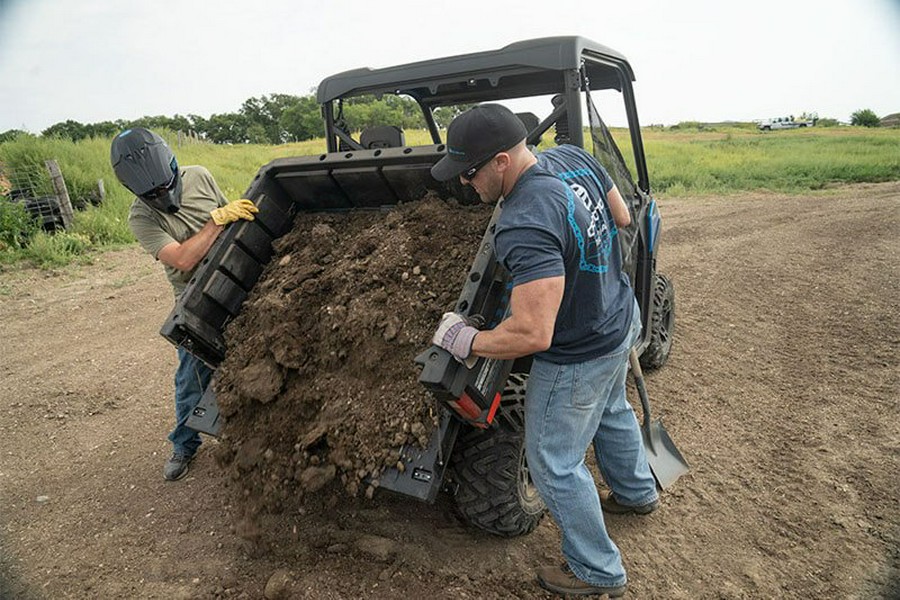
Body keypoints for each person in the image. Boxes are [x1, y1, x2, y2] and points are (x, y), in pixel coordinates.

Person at [430, 104, 658, 597]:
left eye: (469, 173)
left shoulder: (523, 223)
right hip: (620, 316)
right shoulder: (574, 157)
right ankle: (638, 492)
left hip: (579, 352)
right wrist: (588, 276)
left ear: (502, 162)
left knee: (553, 460)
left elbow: (534, 335)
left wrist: (466, 339)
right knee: (612, 409)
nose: (465, 184)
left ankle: (598, 572)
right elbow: (620, 217)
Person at [110, 127, 258, 481]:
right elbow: (181, 259)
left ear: (173, 168)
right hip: (195, 295)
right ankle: (184, 444)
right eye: (151, 194)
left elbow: (232, 218)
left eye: (164, 187)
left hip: (235, 271)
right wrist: (214, 222)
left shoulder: (200, 177)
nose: (161, 195)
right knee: (192, 374)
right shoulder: (141, 218)